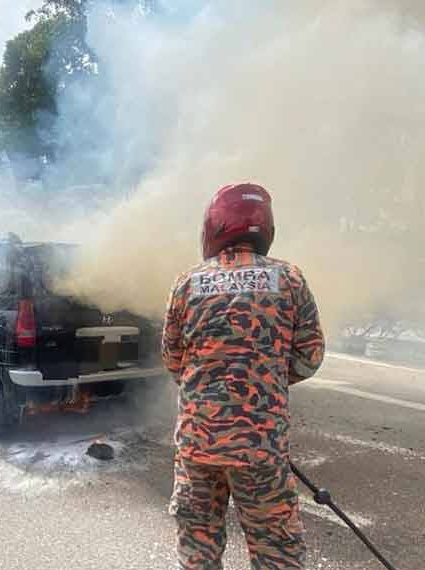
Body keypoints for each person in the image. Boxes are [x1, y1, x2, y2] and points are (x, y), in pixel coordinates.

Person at [162, 183, 325, 570]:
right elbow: (310, 356)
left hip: (198, 445)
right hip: (260, 447)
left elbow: (172, 359)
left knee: (198, 550)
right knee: (276, 551)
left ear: (214, 226)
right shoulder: (290, 279)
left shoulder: (187, 283)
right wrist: (266, 380)